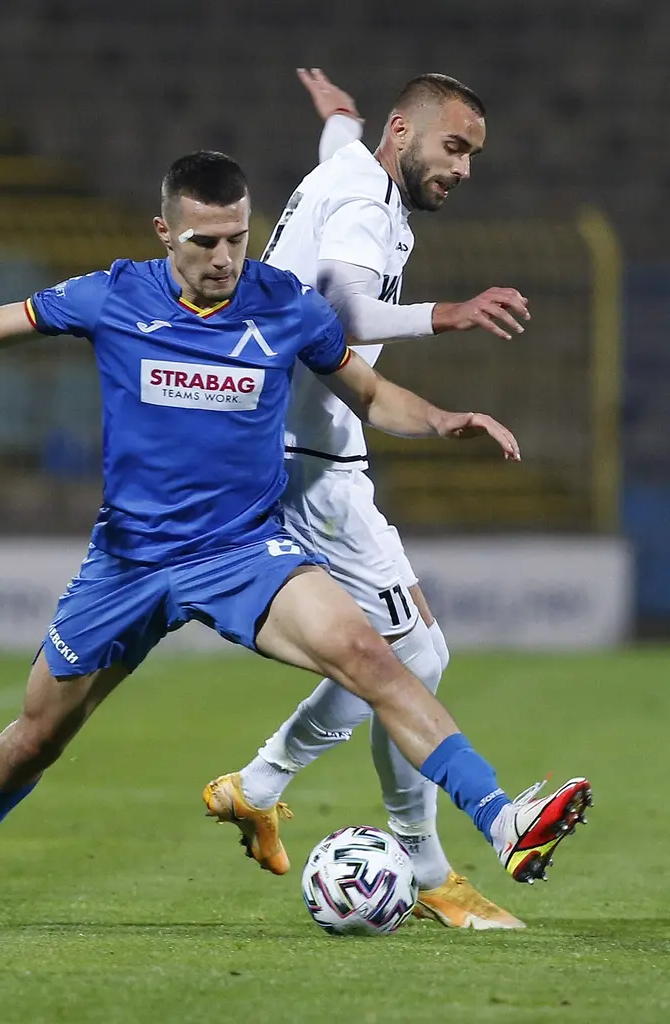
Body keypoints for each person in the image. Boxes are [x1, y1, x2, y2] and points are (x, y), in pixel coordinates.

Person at [0, 150, 589, 928]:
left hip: (243, 553)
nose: (223, 257)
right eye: (204, 241)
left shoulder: (285, 304)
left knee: (373, 657)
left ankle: (502, 819)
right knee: (38, 736)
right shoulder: (115, 294)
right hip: (130, 561)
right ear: (165, 233)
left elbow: (370, 392)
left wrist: (441, 419)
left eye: (236, 238)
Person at [202, 71, 542, 930]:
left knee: (408, 654)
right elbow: (340, 311)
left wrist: (338, 117)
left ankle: (263, 786)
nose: (463, 169)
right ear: (402, 133)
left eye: (472, 155)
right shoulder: (364, 200)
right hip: (309, 458)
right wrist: (448, 313)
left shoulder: (351, 167)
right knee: (413, 659)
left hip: (296, 443)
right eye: (453, 147)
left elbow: (340, 152)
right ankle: (421, 866)